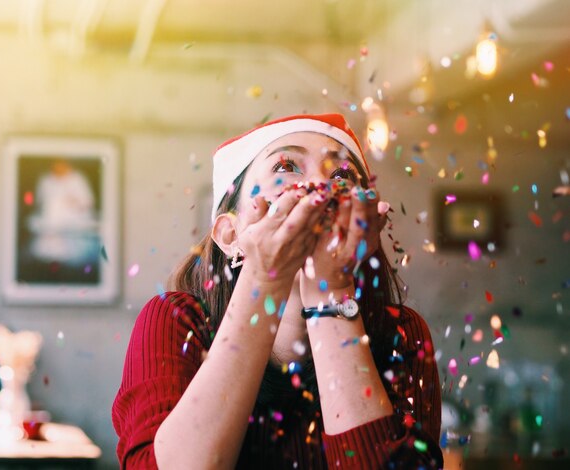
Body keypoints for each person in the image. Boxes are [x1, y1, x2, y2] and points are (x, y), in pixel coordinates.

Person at [112, 113, 443, 469]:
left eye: (342, 175)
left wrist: (330, 291)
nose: (320, 184)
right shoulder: (175, 321)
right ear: (230, 234)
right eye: (287, 165)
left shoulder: (400, 333)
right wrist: (264, 279)